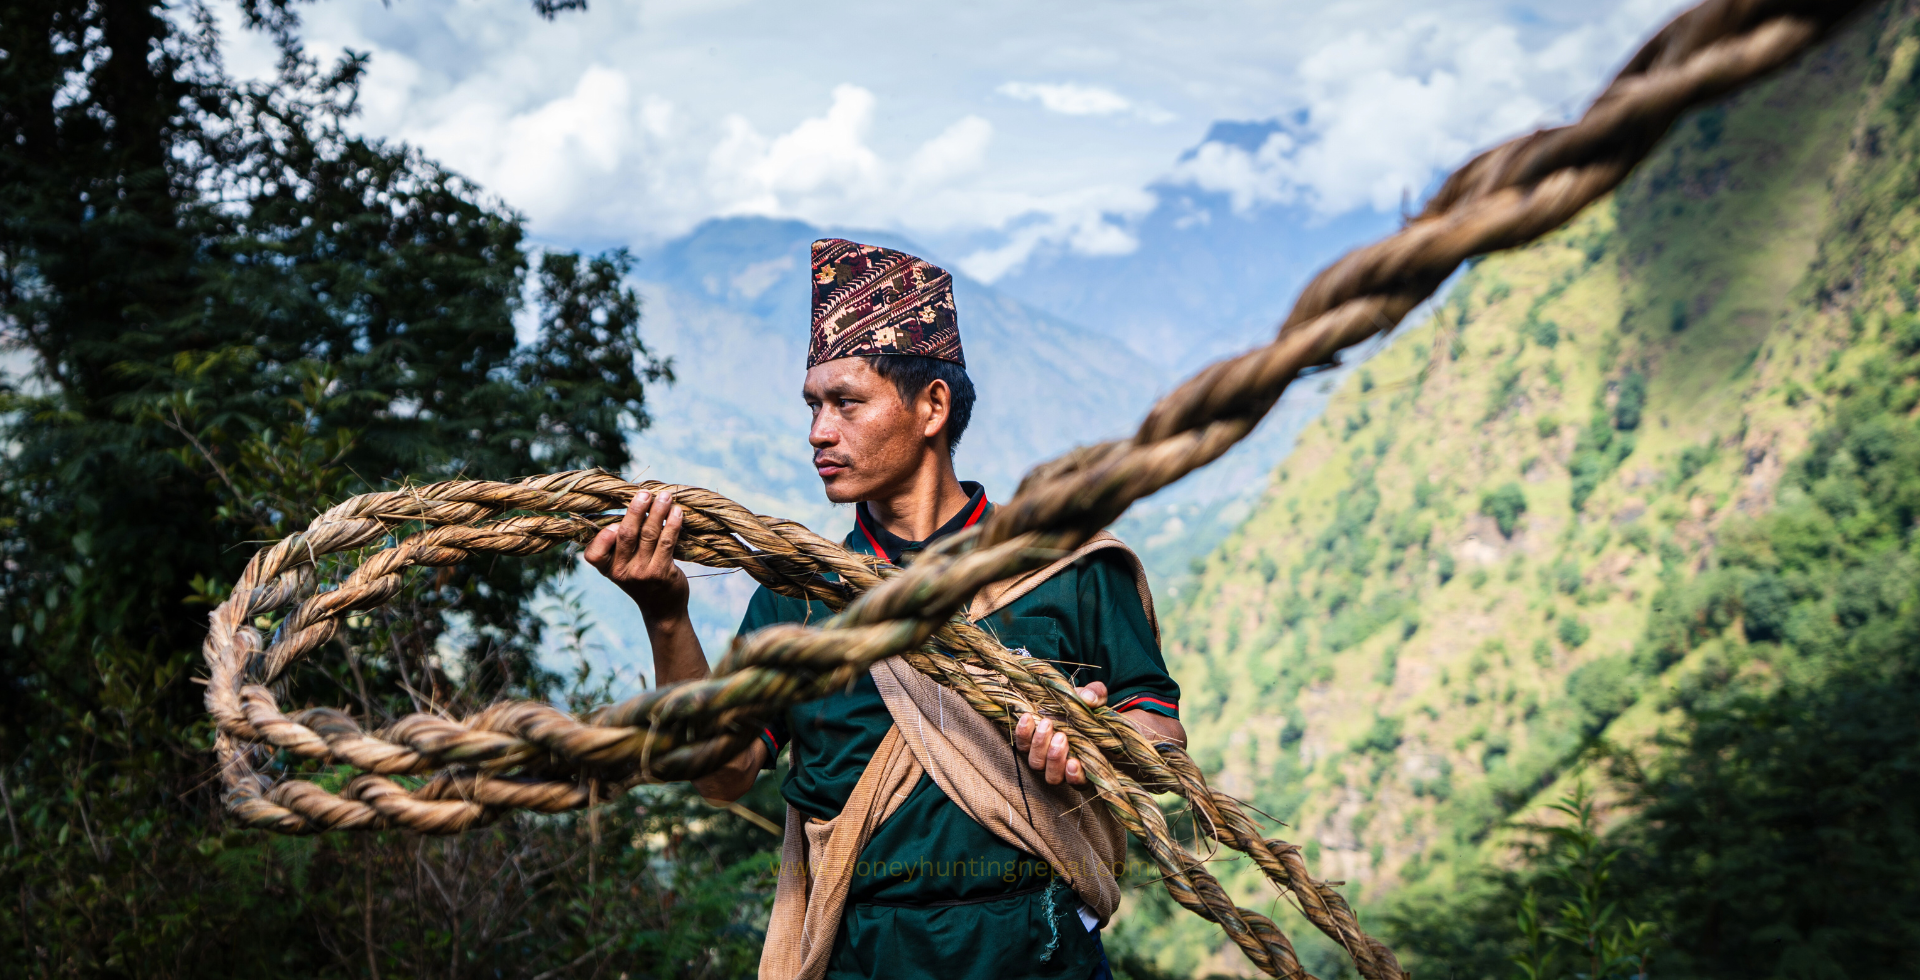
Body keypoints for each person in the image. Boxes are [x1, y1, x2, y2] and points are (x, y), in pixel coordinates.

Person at [586, 239, 1184, 980]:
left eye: (846, 402)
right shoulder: (797, 596)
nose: (818, 433)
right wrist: (665, 615)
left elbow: (1158, 735)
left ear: (932, 406)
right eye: (812, 406)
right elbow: (722, 773)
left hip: (1036, 948)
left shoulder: (1064, 570)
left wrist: (1096, 738)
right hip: (858, 951)